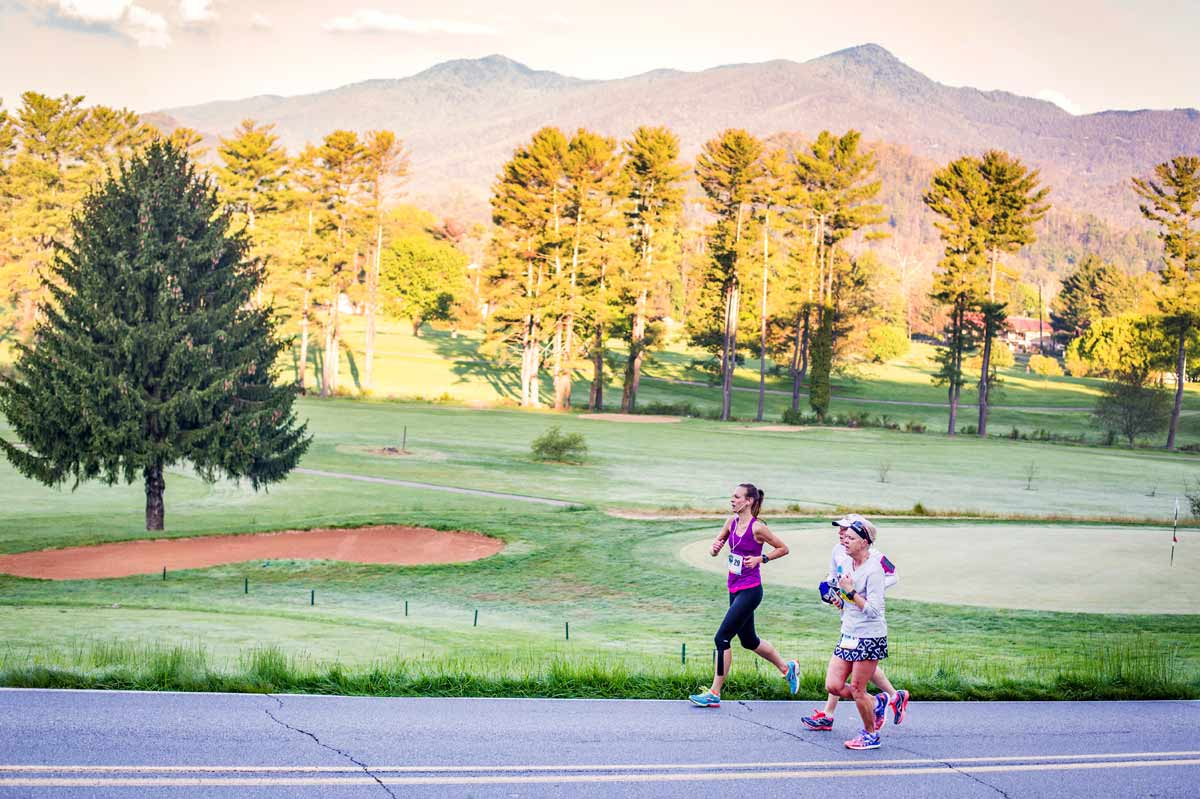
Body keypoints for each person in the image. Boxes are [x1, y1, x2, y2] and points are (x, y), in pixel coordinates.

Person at [689, 483, 800, 707]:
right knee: (749, 641)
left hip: (751, 590)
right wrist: (715, 548)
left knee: (721, 638)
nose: (732, 500)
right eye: (732, 496)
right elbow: (718, 544)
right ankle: (787, 668)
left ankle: (714, 693)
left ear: (748, 501)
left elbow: (783, 548)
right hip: (734, 587)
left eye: (737, 497)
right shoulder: (730, 522)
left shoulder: (758, 528)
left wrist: (762, 559)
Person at [802, 513, 909, 732]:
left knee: (859, 671)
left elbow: (893, 577)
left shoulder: (875, 558)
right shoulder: (839, 552)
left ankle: (834, 714)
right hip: (849, 619)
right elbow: (834, 578)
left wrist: (863, 592)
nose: (840, 534)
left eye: (845, 530)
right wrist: (829, 594)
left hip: (865, 621)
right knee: (847, 673)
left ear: (860, 535)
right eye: (839, 530)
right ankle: (890, 697)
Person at [816, 514, 890, 750]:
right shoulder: (846, 563)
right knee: (833, 685)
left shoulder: (874, 570)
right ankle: (876, 702)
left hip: (869, 636)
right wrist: (834, 595)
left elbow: (875, 611)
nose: (844, 541)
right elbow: (840, 588)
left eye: (850, 538)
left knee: (858, 689)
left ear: (864, 542)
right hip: (848, 633)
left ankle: (870, 734)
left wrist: (850, 594)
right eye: (844, 537)